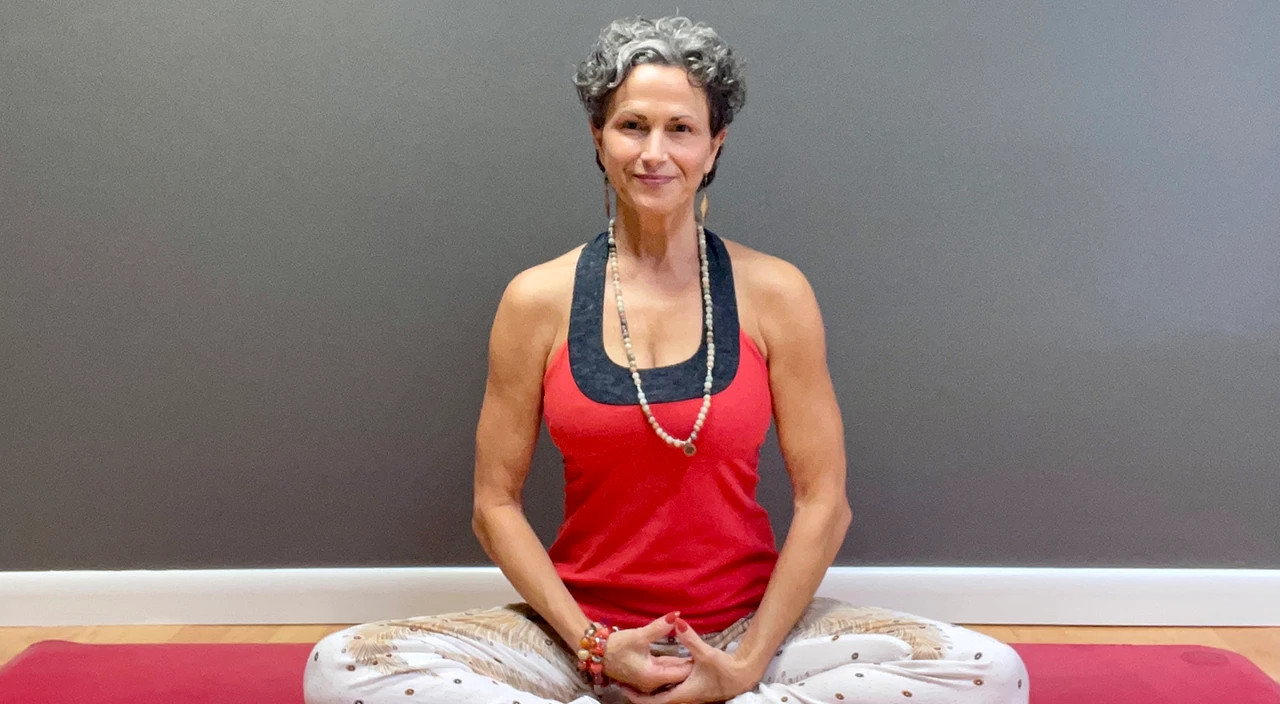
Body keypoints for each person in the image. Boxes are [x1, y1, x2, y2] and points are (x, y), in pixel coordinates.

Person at [304, 16, 1029, 704]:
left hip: (749, 630)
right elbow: (494, 506)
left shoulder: (776, 294)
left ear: (714, 145)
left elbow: (824, 504)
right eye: (632, 126)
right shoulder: (537, 300)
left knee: (988, 673)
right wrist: (596, 648)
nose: (655, 153)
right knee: (340, 666)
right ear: (598, 138)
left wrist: (743, 667)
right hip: (578, 639)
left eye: (680, 128)